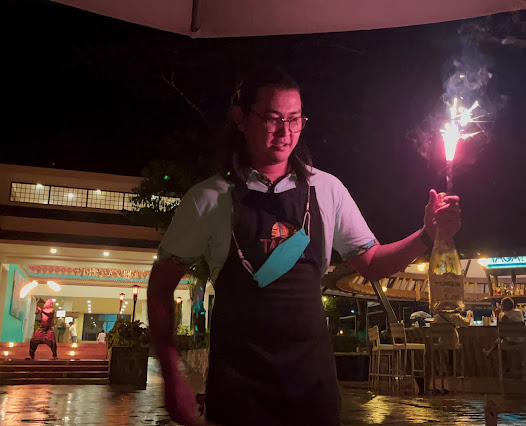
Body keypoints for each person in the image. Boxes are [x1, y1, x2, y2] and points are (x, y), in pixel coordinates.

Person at [147, 67, 461, 425]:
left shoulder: (327, 190)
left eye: (295, 119)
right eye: (272, 119)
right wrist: (172, 376)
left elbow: (373, 263)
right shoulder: (208, 198)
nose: (285, 132)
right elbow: (160, 288)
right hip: (238, 390)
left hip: (312, 388)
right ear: (240, 118)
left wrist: (426, 234)